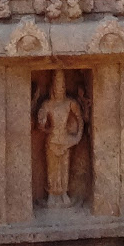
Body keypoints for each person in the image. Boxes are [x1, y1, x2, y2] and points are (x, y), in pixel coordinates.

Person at [37, 70, 84, 208]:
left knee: (64, 167)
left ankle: (63, 193)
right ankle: (52, 194)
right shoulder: (47, 105)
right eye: (57, 86)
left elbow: (80, 119)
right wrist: (43, 124)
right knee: (52, 168)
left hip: (66, 139)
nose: (60, 89)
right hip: (52, 140)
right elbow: (41, 124)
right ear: (53, 87)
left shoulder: (70, 103)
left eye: (62, 86)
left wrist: (78, 136)